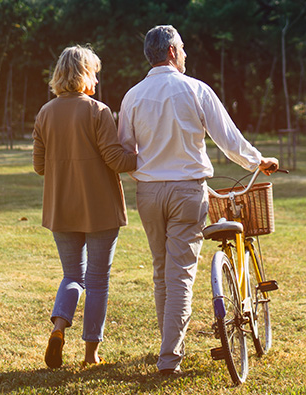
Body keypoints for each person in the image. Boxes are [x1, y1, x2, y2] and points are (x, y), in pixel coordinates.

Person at [117, 25, 279, 376]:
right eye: (184, 48)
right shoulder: (195, 89)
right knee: (180, 276)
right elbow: (229, 139)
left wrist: (143, 173)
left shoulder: (132, 96)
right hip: (187, 191)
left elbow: (125, 150)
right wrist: (257, 161)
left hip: (148, 193)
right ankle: (169, 358)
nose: (187, 54)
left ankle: (167, 346)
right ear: (172, 52)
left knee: (162, 271)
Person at [33, 45, 137, 369]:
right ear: (85, 74)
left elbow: (39, 166)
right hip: (100, 209)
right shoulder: (98, 111)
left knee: (72, 276)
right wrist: (152, 154)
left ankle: (58, 326)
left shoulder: (44, 113)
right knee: (97, 281)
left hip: (61, 210)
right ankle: (91, 354)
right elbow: (116, 160)